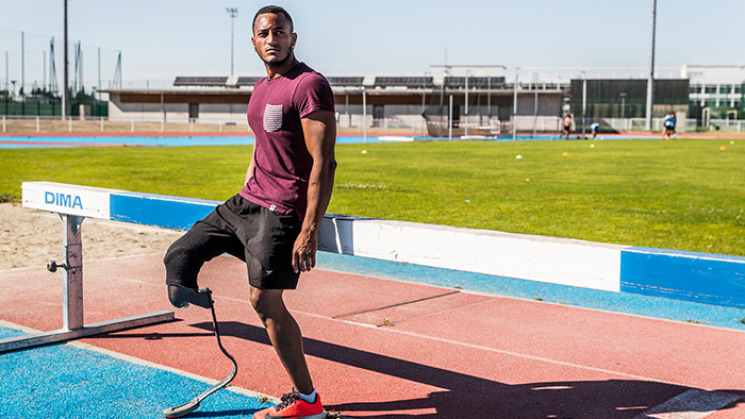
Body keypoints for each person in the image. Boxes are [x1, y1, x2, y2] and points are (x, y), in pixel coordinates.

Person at [164, 5, 335, 419]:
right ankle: (196, 297)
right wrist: (245, 189)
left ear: (293, 38)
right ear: (254, 41)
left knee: (264, 302)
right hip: (247, 201)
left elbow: (324, 162)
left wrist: (309, 226)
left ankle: (307, 400)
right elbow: (263, 146)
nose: (272, 38)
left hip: (281, 211)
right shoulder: (260, 88)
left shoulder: (309, 85)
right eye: (263, 33)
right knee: (179, 256)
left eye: (279, 32)